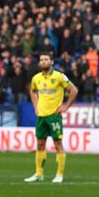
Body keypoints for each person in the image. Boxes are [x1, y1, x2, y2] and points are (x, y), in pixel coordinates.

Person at [25, 54, 78, 184]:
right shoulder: (36, 78)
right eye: (41, 60)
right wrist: (35, 106)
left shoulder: (59, 76)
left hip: (54, 116)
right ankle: (39, 174)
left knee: (57, 144)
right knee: (40, 144)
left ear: (52, 62)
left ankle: (59, 174)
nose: (43, 61)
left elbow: (74, 90)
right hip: (41, 116)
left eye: (46, 59)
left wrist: (65, 106)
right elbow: (32, 91)